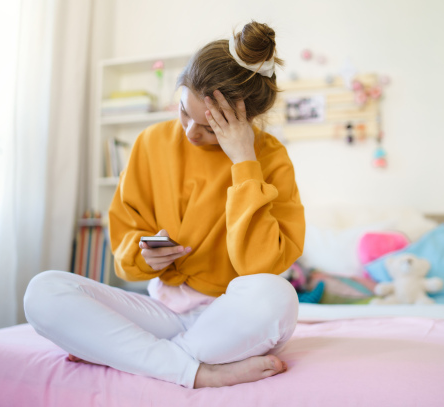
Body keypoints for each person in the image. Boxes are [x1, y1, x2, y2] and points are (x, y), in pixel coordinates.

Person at [24, 20, 305, 389]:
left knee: (278, 296)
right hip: (161, 311)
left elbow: (261, 267)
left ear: (245, 120)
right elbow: (125, 249)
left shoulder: (269, 157)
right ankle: (197, 371)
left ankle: (134, 355)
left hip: (232, 321)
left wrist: (244, 164)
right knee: (44, 291)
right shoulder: (151, 143)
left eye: (209, 128)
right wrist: (146, 255)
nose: (190, 132)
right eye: (185, 112)